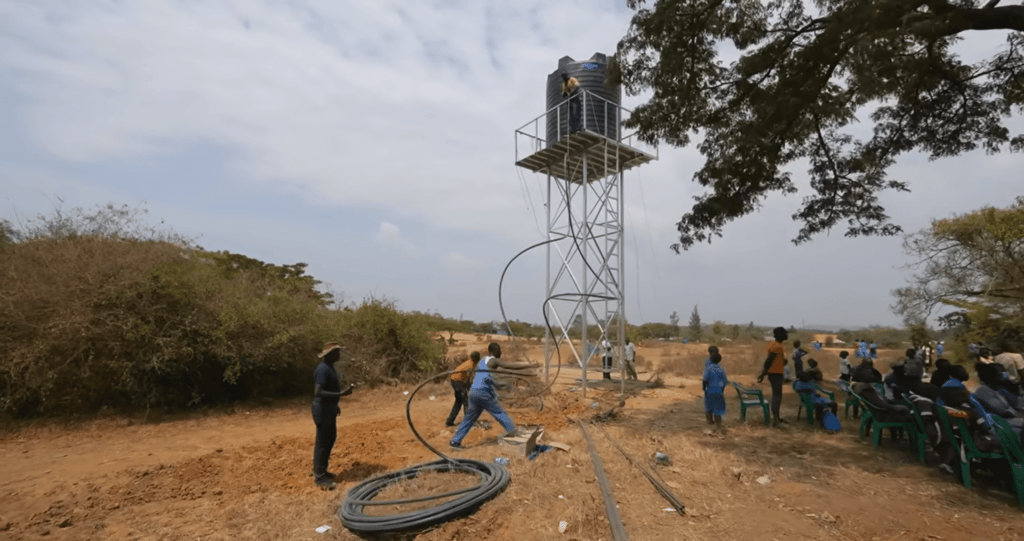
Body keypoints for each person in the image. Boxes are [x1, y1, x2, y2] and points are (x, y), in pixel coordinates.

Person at [450, 343, 539, 450]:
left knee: (469, 418)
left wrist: (502, 385)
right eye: (499, 350)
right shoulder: (493, 360)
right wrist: (531, 366)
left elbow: (483, 377)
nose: (501, 353)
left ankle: (455, 441)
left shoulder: (482, 361)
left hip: (474, 392)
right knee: (499, 413)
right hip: (483, 393)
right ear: (494, 351)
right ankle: (516, 437)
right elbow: (509, 366)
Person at [312, 342, 354, 490]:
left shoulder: (329, 368)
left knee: (330, 439)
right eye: (336, 352)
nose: (339, 355)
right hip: (322, 410)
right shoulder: (323, 369)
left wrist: (335, 404)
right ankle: (319, 477)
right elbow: (318, 392)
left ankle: (322, 471)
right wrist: (340, 394)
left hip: (328, 409)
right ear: (330, 354)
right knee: (323, 443)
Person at [757, 326, 789, 426]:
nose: (786, 335)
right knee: (776, 396)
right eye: (785, 333)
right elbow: (768, 361)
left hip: (777, 373)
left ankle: (777, 418)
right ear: (780, 335)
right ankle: (775, 420)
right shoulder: (776, 346)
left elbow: (775, 360)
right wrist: (763, 373)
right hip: (775, 374)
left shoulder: (779, 344)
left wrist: (783, 362)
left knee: (778, 396)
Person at [446, 352, 479, 427]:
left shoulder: (469, 362)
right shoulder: (470, 365)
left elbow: (467, 381)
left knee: (458, 401)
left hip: (454, 380)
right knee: (466, 401)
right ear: (476, 359)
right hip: (457, 381)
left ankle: (450, 421)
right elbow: (467, 380)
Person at [702, 352, 728, 430]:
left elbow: (705, 380)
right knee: (718, 410)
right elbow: (725, 382)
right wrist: (721, 390)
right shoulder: (721, 369)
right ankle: (718, 426)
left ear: (710, 359)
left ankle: (709, 421)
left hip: (709, 390)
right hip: (719, 391)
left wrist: (704, 388)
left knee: (708, 405)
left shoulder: (708, 368)